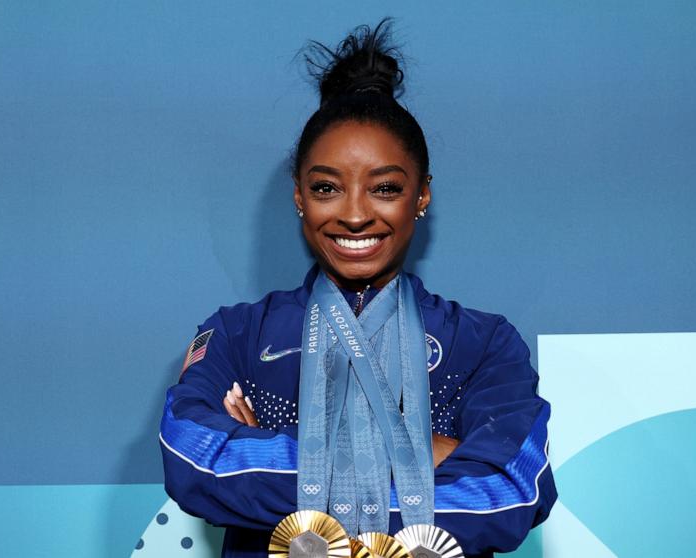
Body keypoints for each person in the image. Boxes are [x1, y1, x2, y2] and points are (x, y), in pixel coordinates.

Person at [160, 20, 556, 558]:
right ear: (299, 196)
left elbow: (509, 493)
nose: (353, 214)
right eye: (326, 187)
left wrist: (267, 459)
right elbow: (193, 459)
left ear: (421, 196)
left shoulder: (484, 342)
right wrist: (430, 454)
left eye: (385, 188)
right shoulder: (236, 333)